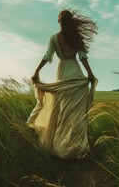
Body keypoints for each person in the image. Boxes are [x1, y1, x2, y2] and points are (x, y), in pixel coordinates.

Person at [26, 9, 98, 159]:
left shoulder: (54, 38)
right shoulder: (75, 37)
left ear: (59, 21)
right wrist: (90, 73)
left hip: (63, 73)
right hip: (76, 73)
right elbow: (83, 57)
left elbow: (47, 56)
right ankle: (76, 147)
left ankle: (64, 146)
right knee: (76, 114)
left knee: (64, 112)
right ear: (70, 21)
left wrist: (36, 71)